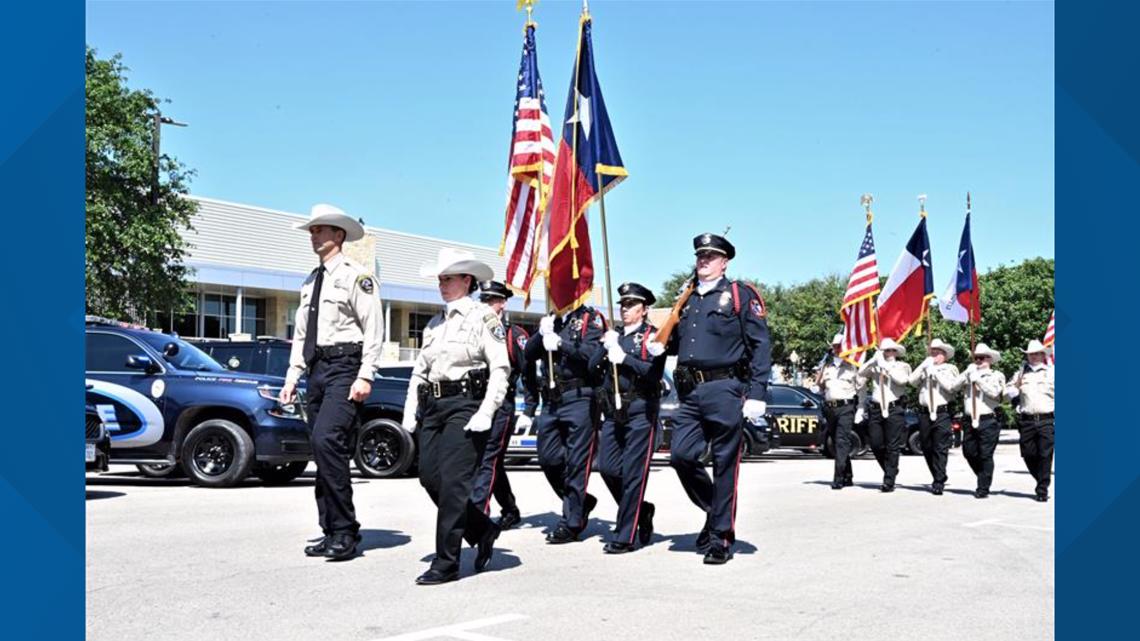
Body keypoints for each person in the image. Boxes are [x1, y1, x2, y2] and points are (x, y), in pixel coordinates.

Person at [648, 233, 771, 564]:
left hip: (725, 388)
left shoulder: (738, 295)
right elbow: (683, 341)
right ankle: (715, 509)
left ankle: (720, 537)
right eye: (700, 255)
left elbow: (761, 346)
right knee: (680, 456)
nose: (704, 260)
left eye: (711, 256)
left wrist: (757, 392)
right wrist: (662, 345)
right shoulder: (687, 299)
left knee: (724, 464)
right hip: (689, 391)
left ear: (724, 262)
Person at [401, 248, 511, 585]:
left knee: (453, 485)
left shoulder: (484, 318)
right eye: (440, 279)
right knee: (429, 478)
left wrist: (486, 411)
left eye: (448, 278)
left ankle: (446, 562)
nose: (442, 284)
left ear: (467, 280)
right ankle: (481, 528)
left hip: (466, 405)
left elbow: (500, 368)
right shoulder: (435, 324)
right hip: (434, 407)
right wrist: (409, 412)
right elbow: (420, 372)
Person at [279, 204, 383, 562]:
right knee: (321, 450)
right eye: (312, 230)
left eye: (320, 229)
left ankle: (345, 531)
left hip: (345, 367)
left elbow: (373, 329)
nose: (314, 235)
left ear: (338, 235)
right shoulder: (311, 280)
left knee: (328, 441)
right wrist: (292, 376)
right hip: (317, 370)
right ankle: (330, 529)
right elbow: (301, 334)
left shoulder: (358, 277)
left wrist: (366, 373)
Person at [525, 297, 608, 544]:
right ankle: (581, 501)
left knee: (576, 463)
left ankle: (572, 522)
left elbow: (592, 356)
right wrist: (541, 334)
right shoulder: (551, 320)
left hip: (579, 396)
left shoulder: (588, 320)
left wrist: (561, 344)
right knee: (548, 458)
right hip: (551, 400)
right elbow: (529, 354)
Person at [597, 282, 665, 554]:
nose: (625, 310)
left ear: (644, 309)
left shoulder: (653, 337)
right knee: (608, 467)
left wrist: (624, 358)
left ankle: (625, 535)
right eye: (622, 305)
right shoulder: (615, 336)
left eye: (631, 305)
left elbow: (653, 373)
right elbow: (593, 368)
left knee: (634, 474)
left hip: (640, 408)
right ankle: (642, 509)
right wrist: (605, 348)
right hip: (614, 411)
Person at [469, 280, 536, 530]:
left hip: (501, 404)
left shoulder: (513, 335)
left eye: (491, 300)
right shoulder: (472, 330)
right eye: (483, 300)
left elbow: (528, 373)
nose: (486, 305)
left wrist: (529, 409)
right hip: (474, 402)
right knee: (485, 460)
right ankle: (509, 508)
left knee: (488, 458)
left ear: (502, 303)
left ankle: (478, 514)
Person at [858, 337, 911, 492]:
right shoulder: (876, 365)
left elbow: (902, 381)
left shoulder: (902, 366)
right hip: (875, 408)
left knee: (892, 446)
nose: (888, 353)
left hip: (894, 408)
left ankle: (889, 480)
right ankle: (891, 469)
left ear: (896, 352)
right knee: (875, 443)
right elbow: (861, 372)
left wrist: (886, 367)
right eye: (885, 350)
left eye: (891, 350)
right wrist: (874, 360)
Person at [908, 338, 961, 495]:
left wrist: (936, 374)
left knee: (940, 447)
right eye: (933, 352)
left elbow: (952, 388)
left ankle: (938, 481)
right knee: (926, 446)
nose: (934, 355)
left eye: (938, 352)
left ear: (945, 355)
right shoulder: (926, 367)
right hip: (924, 411)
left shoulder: (950, 368)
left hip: (941, 412)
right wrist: (924, 365)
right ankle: (939, 474)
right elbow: (911, 381)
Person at [1005, 339, 1055, 502]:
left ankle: (1042, 488)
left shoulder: (1052, 372)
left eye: (1036, 354)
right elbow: (1009, 387)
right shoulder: (1021, 372)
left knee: (1045, 454)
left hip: (1047, 419)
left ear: (1042, 355)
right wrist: (1015, 398)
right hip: (1027, 420)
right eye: (1030, 354)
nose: (1033, 357)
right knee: (1028, 453)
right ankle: (1041, 478)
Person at [957, 342, 1007, 499]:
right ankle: (983, 475)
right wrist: (966, 373)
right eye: (976, 358)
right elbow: (952, 387)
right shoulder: (969, 373)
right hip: (969, 419)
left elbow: (995, 394)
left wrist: (977, 379)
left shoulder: (996, 375)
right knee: (969, 452)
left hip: (988, 419)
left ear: (990, 359)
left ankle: (983, 487)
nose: (978, 360)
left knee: (985, 454)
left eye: (982, 358)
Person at [819, 333, 867, 490]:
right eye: (834, 346)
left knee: (841, 441)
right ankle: (847, 475)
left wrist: (860, 409)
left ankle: (838, 478)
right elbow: (820, 386)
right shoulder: (827, 366)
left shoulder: (853, 366)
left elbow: (861, 390)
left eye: (839, 346)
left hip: (846, 407)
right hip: (830, 408)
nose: (836, 349)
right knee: (837, 442)